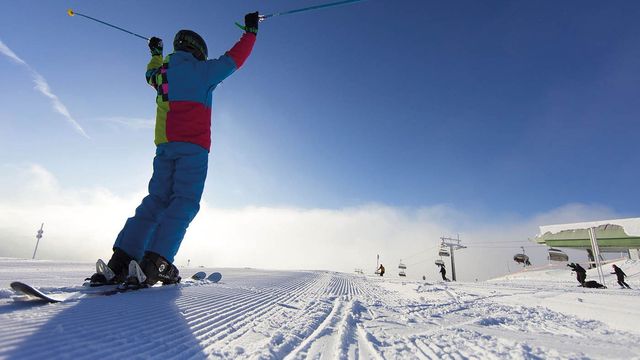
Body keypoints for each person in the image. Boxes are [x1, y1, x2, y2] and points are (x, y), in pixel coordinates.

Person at [88, 12, 260, 287]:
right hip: (193, 149)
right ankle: (157, 262)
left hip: (165, 149)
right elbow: (234, 59)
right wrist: (250, 32)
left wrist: (156, 52)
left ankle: (121, 260)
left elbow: (149, 74)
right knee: (183, 202)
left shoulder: (162, 75)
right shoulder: (203, 72)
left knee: (155, 201)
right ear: (198, 51)